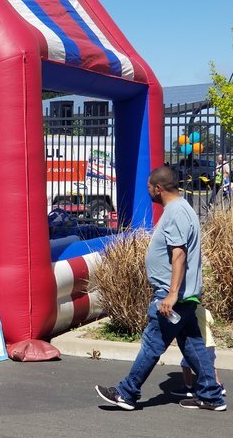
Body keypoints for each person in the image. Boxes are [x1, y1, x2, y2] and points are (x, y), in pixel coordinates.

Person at [95, 166, 226, 412]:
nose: (149, 192)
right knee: (193, 345)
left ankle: (127, 393)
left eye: (149, 188)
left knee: (152, 344)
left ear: (159, 188)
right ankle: (211, 395)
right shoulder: (181, 209)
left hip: (173, 295)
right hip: (184, 295)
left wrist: (172, 294)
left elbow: (179, 255)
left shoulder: (176, 213)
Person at [171, 304, 226, 397]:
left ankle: (188, 387)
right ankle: (219, 386)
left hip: (197, 344)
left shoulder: (187, 312)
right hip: (209, 343)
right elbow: (211, 323)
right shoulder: (206, 311)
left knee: (185, 365)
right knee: (210, 365)